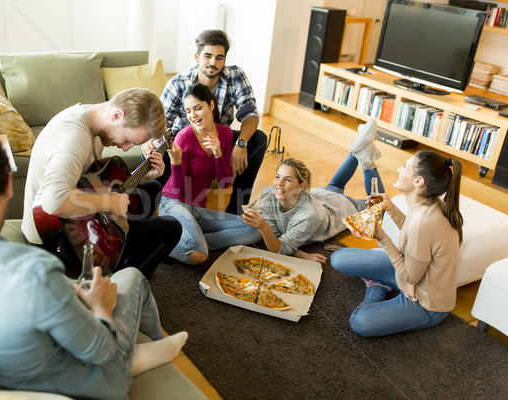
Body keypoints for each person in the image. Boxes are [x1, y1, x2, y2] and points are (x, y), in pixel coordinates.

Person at [0, 129, 188, 399]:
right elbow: (100, 350)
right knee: (131, 277)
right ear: (8, 187)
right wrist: (101, 305)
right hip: (89, 384)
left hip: (0, 371)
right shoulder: (34, 271)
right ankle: (136, 358)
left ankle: (147, 349)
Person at [22, 88, 182, 278]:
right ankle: (122, 282)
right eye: (128, 139)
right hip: (56, 240)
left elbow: (89, 183)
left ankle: (120, 251)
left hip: (75, 220)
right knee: (171, 228)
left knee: (152, 188)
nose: (125, 148)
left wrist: (145, 174)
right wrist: (111, 203)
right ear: (116, 116)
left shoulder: (94, 121)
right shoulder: (74, 137)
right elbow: (53, 201)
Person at [330, 150, 463, 337]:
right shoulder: (429, 204)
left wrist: (382, 237)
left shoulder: (425, 223)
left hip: (424, 303)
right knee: (338, 258)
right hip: (409, 271)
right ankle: (383, 283)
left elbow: (411, 277)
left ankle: (378, 288)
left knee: (359, 321)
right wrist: (390, 207)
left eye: (406, 166)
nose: (400, 169)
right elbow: (413, 236)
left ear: (419, 181)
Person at [144, 29, 268, 215]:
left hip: (220, 136)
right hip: (183, 138)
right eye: (207, 56)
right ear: (197, 57)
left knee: (258, 139)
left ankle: (235, 210)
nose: (213, 62)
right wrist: (151, 141)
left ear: (225, 59)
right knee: (156, 152)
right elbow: (161, 123)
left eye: (219, 57)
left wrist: (241, 143)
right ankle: (156, 208)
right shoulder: (178, 83)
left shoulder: (236, 76)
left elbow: (250, 113)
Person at [242, 119, 384, 262]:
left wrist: (265, 227)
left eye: (287, 179)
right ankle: (360, 147)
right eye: (277, 177)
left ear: (301, 186)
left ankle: (367, 162)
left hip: (338, 207)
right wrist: (301, 254)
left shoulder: (309, 216)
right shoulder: (271, 193)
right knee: (334, 187)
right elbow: (277, 236)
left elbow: (282, 247)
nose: (278, 184)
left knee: (380, 208)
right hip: (320, 196)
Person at [159, 83, 260, 265]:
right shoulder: (184, 137)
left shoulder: (226, 134)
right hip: (173, 203)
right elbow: (180, 192)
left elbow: (224, 183)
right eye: (188, 111)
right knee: (199, 255)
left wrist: (218, 154)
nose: (193, 115)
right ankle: (159, 241)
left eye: (198, 108)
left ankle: (195, 241)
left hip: (197, 208)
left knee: (254, 229)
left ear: (211, 105)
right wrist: (175, 162)